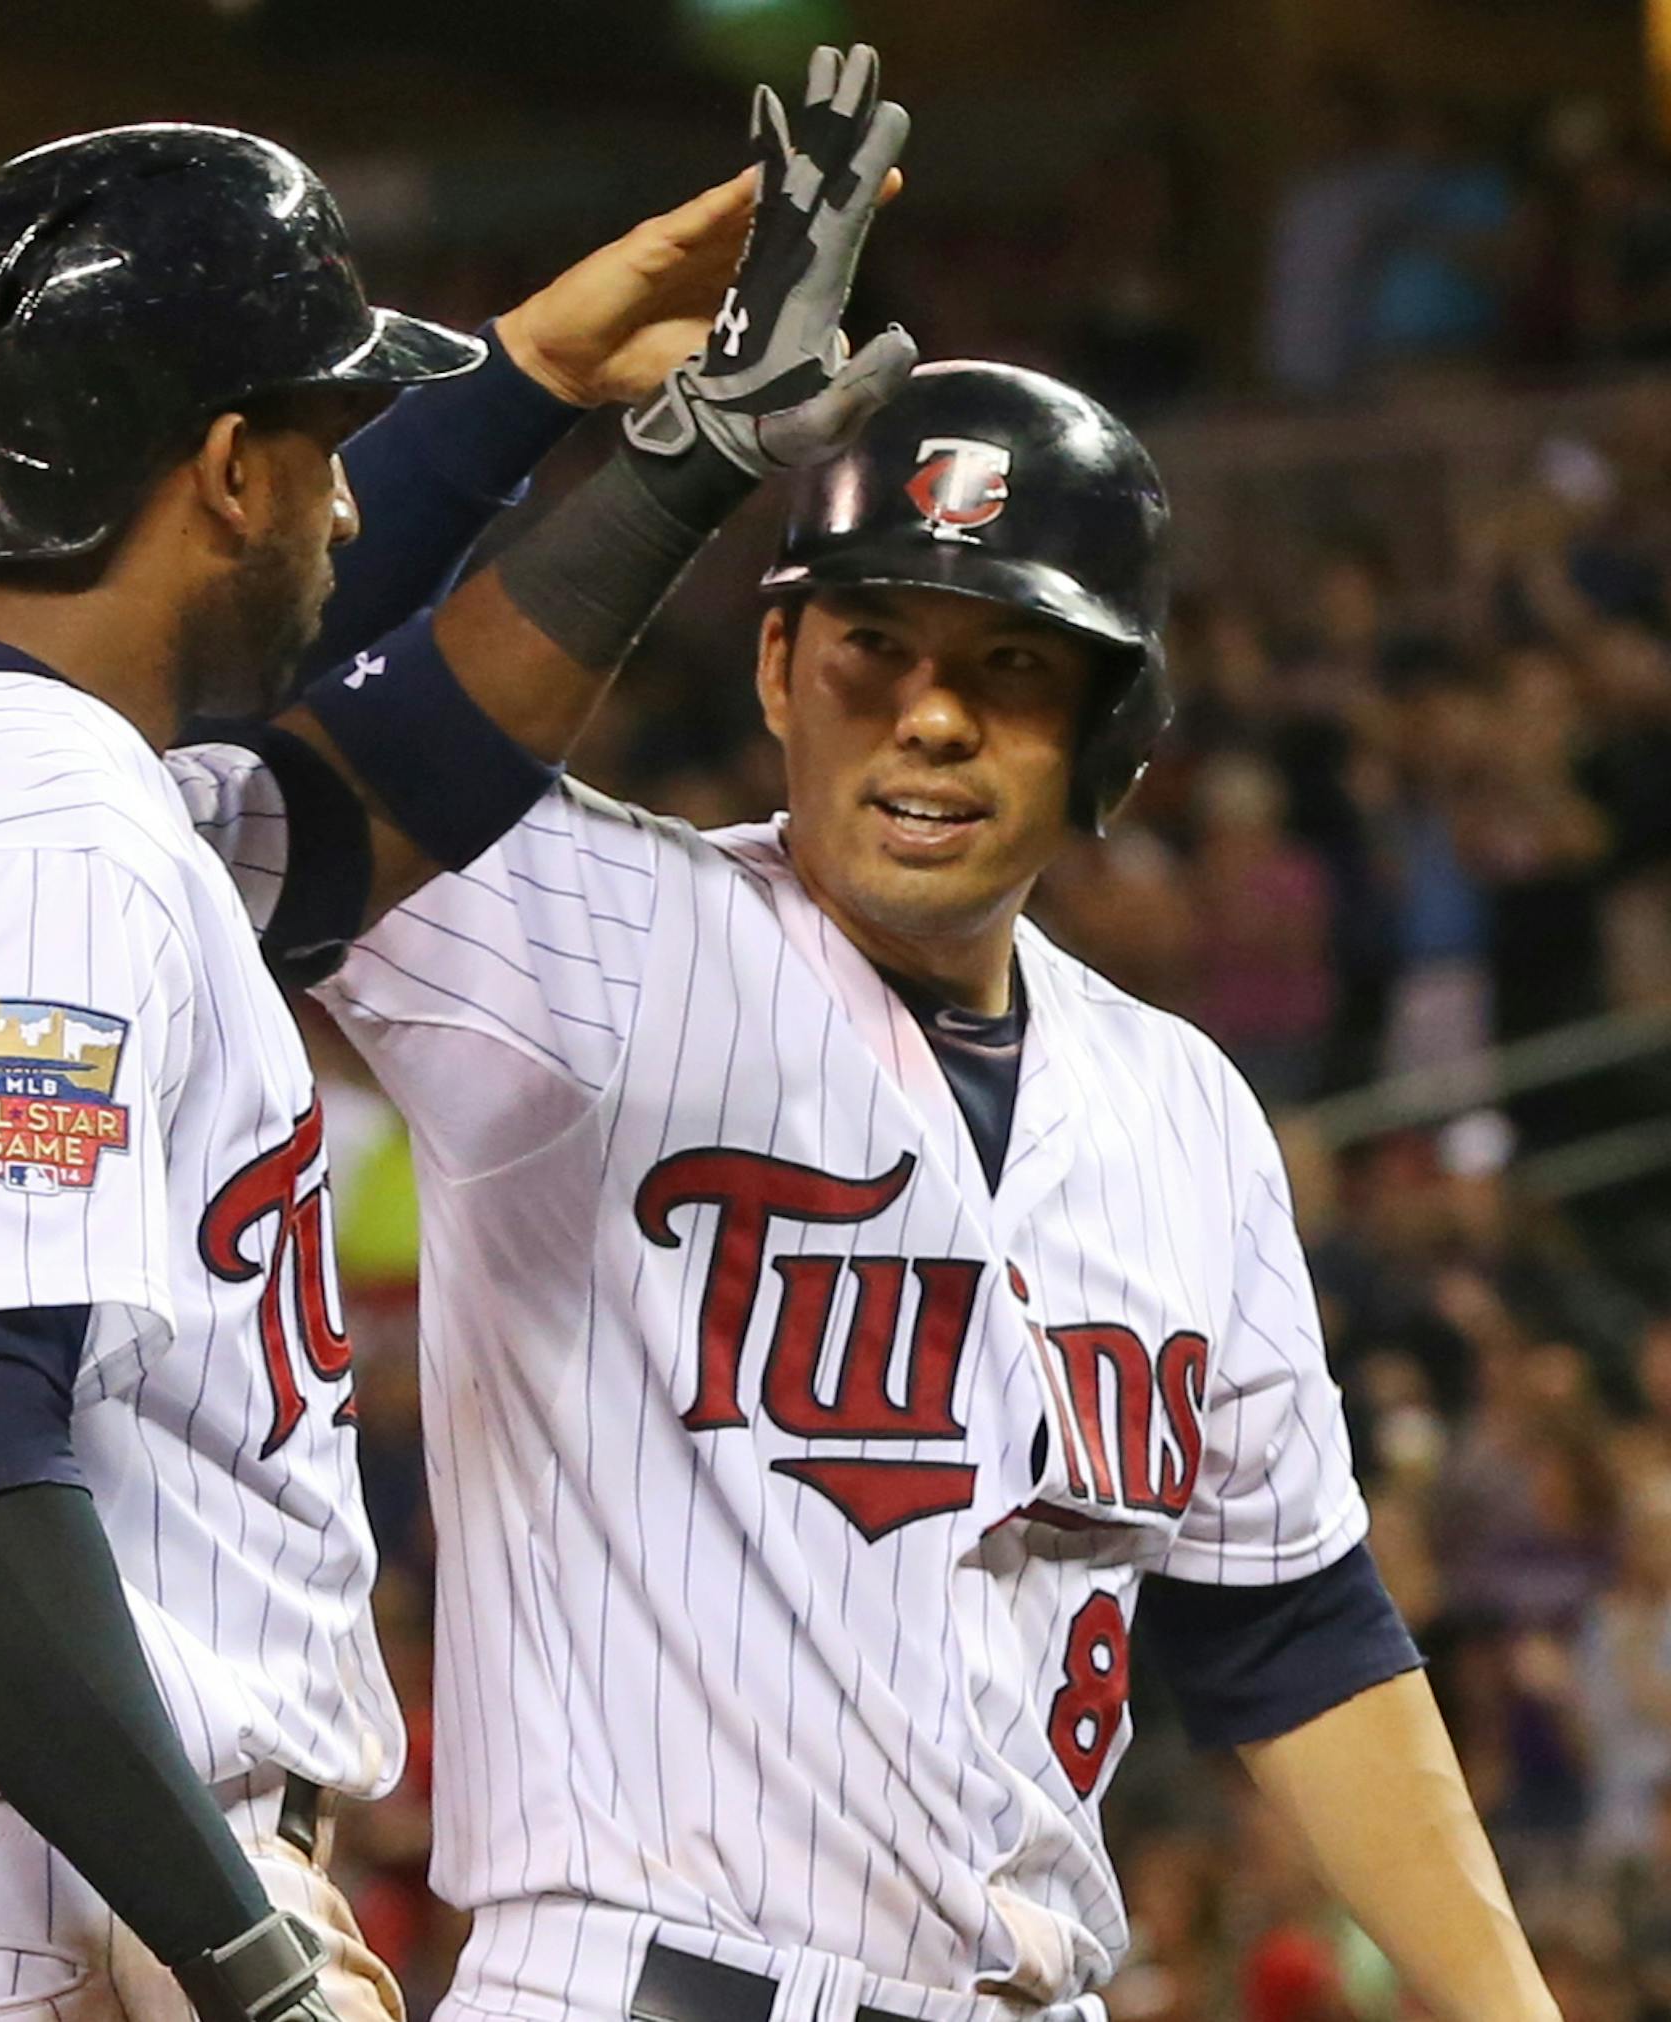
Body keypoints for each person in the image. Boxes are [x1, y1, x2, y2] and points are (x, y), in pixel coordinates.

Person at [0, 63, 915, 2022]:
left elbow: (365, 790)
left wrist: (641, 435)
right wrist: (242, 1955)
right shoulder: (29, 845)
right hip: (22, 1904)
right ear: (228, 470)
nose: (342, 502)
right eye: (319, 449)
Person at [211, 361, 1560, 2019]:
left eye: (1010, 664)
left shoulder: (1182, 1108)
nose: (932, 714)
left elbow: (1293, 1628)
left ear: (1113, 733)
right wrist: (573, 404)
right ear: (779, 664)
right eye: (876, 647)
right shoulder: (586, 929)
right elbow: (246, 720)